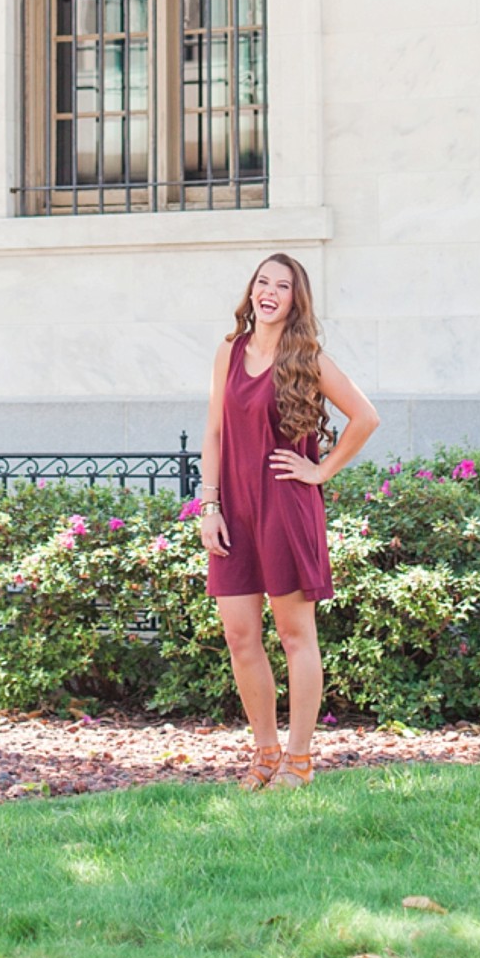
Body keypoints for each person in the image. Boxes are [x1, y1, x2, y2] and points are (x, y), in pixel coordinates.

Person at [197, 253, 379, 790]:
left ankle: (299, 760)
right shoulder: (229, 352)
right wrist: (209, 506)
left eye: (282, 285)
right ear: (251, 291)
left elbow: (365, 416)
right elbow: (213, 433)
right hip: (234, 506)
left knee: (296, 635)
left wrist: (320, 470)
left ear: (296, 300)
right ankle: (265, 753)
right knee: (238, 633)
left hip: (285, 505)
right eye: (262, 282)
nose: (269, 292)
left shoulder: (307, 358)